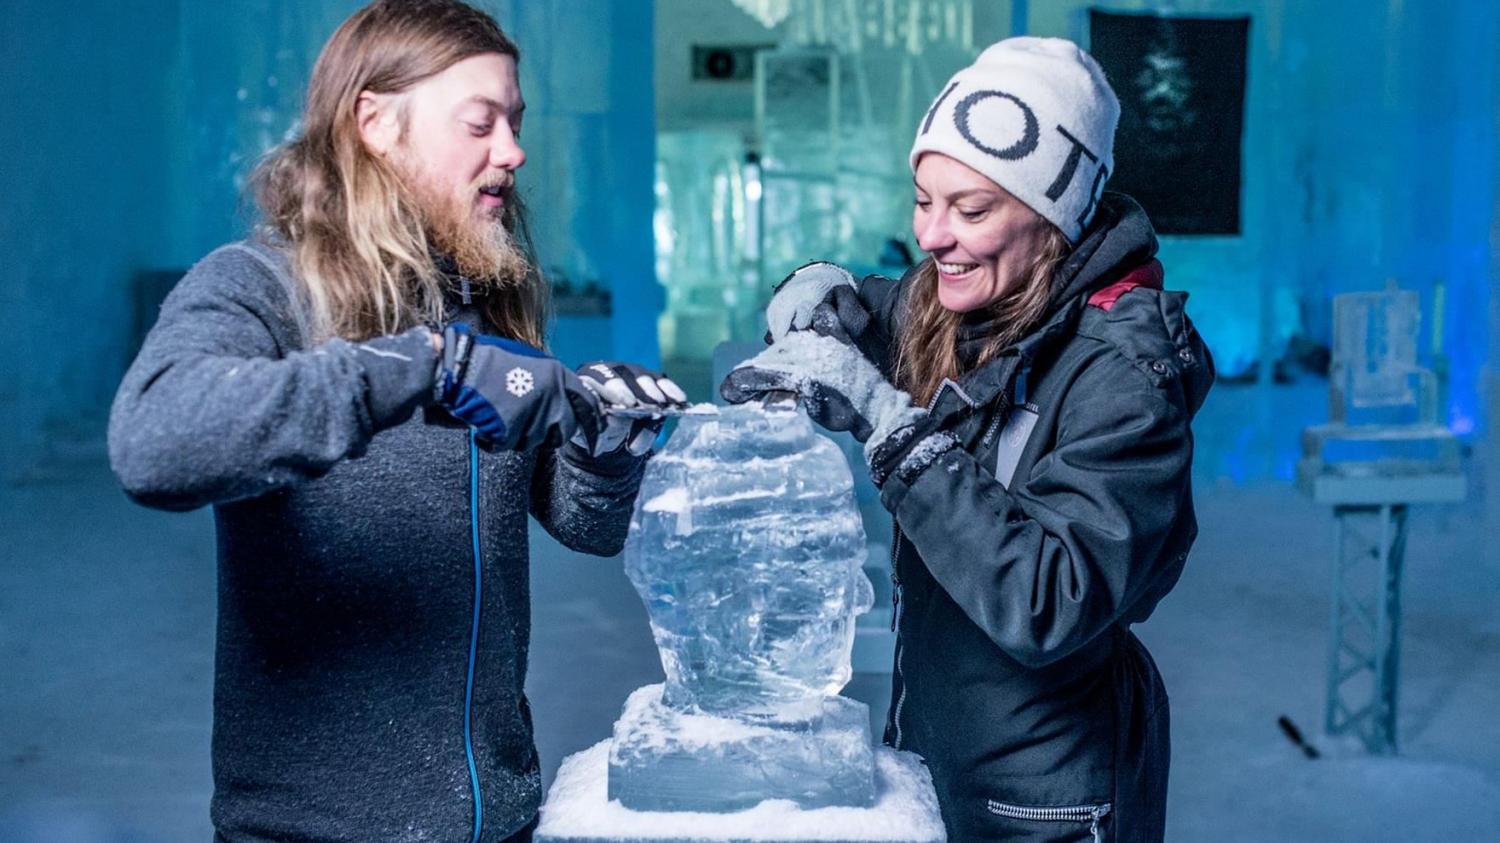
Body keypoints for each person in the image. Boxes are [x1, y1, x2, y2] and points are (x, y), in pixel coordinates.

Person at [108, 2, 684, 840]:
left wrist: (605, 443)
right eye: (480, 123)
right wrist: (423, 366)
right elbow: (153, 442)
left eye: (515, 123)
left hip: (498, 818)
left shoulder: (487, 300)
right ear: (375, 123)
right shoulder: (260, 286)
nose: (513, 152)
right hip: (314, 830)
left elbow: (584, 525)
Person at [724, 37, 1213, 842]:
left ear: (1055, 216)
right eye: (923, 199)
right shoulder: (967, 296)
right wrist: (817, 286)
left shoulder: (1126, 376)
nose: (933, 236)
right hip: (935, 761)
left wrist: (890, 427)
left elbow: (1049, 599)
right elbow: (878, 304)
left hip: (1045, 802)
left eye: (972, 209)